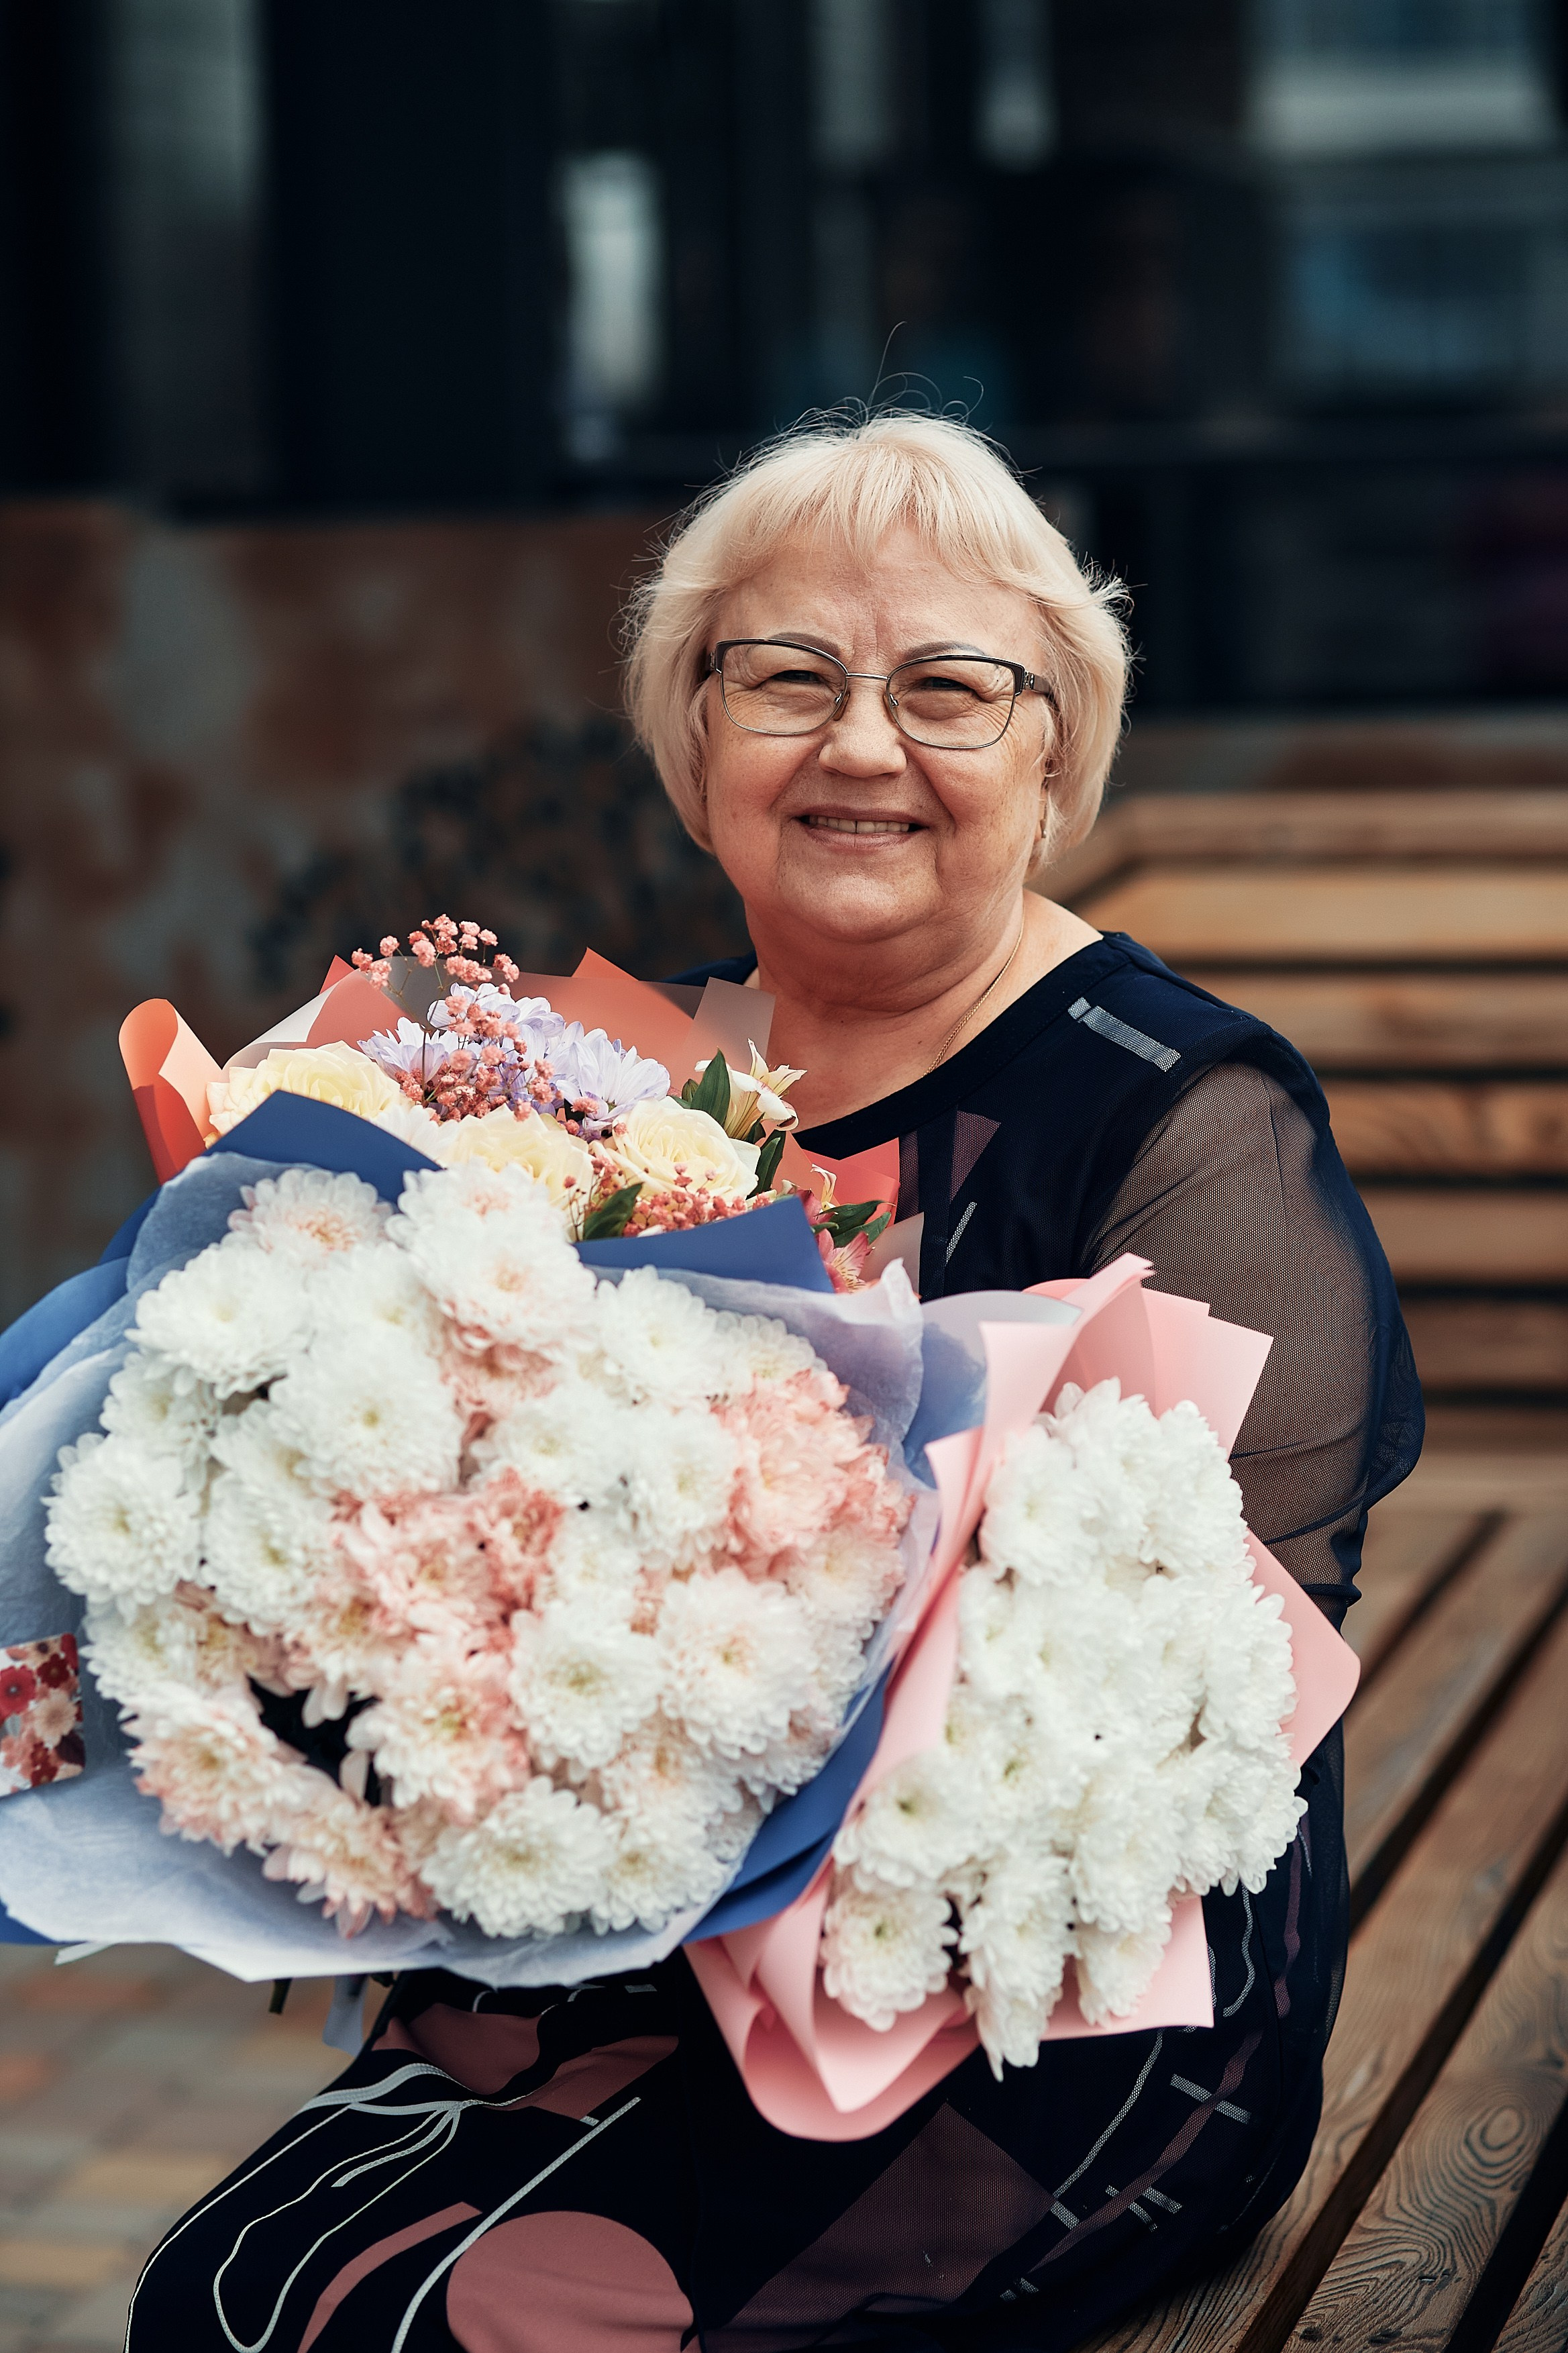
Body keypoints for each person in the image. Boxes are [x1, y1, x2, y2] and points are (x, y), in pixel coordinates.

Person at [127, 413, 1421, 2352]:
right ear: (695, 738)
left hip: (1043, 2005)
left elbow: (1207, 1724)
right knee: (225, 2293)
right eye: (787, 678)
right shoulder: (606, 1095)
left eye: (950, 689)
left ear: (1052, 749)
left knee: (452, 2330)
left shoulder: (1183, 1123)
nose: (859, 745)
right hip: (624, 1958)